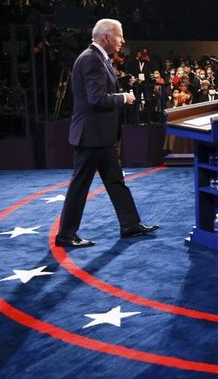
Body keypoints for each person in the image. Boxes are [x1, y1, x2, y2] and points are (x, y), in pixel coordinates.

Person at [56, 18, 158, 248]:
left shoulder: (97, 58)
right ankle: (65, 235)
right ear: (107, 37)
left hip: (100, 136)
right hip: (92, 136)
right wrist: (123, 97)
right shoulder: (92, 59)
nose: (122, 41)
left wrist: (119, 81)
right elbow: (96, 99)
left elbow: (99, 89)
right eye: (120, 36)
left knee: (115, 181)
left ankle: (130, 225)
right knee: (80, 186)